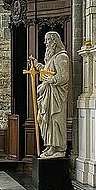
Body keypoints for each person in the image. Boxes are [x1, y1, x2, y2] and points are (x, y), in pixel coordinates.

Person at [30, 31, 69, 159]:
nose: (45, 43)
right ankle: (49, 146)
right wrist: (37, 65)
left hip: (55, 96)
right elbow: (48, 71)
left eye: (47, 40)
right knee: (44, 119)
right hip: (48, 93)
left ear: (54, 41)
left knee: (55, 120)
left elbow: (64, 77)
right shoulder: (53, 58)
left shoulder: (61, 57)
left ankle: (58, 148)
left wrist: (51, 80)